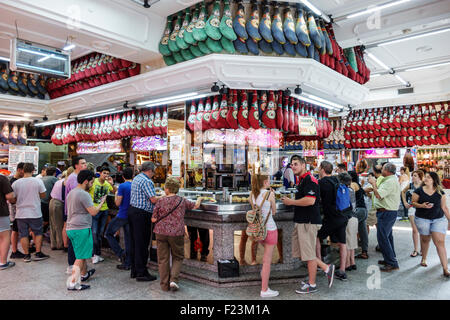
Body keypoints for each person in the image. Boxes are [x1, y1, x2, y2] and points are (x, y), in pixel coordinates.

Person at [281, 156, 335, 294]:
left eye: (296, 164)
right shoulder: (303, 180)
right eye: (292, 165)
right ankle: (325, 268)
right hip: (302, 221)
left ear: (303, 165)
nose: (293, 167)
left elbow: (310, 200)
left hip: (308, 222)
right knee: (304, 254)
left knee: (309, 254)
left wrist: (291, 202)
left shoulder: (310, 180)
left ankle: (314, 282)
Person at [151, 176, 203, 291]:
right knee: (178, 257)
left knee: (163, 259)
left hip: (160, 232)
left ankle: (164, 285)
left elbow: (153, 219)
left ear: (167, 189)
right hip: (176, 233)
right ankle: (173, 280)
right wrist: (200, 199)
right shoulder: (182, 200)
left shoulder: (160, 201)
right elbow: (195, 206)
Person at [66, 170, 107, 291]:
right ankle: (72, 282)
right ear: (85, 181)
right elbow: (93, 212)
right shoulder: (84, 194)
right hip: (81, 228)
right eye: (91, 182)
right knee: (80, 257)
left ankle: (83, 275)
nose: (92, 185)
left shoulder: (72, 192)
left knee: (81, 254)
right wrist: (101, 203)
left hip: (72, 227)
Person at [411, 172, 450, 277]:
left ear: (433, 180)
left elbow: (444, 208)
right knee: (425, 239)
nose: (426, 179)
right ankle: (424, 258)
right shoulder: (418, 191)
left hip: (438, 219)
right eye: (426, 177)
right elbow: (413, 203)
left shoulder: (440, 192)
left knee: (440, 242)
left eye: (428, 177)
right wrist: (422, 206)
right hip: (422, 219)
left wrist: (449, 219)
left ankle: (445, 268)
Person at [316, 161, 349, 281]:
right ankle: (342, 271)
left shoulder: (321, 183)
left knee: (316, 236)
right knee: (342, 243)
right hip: (342, 216)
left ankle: (319, 263)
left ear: (322, 169)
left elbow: (317, 199)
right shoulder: (337, 180)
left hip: (331, 217)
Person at [129, 161, 160, 282]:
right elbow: (153, 199)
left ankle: (135, 270)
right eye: (154, 171)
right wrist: (166, 196)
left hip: (133, 212)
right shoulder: (147, 181)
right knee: (142, 243)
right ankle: (142, 272)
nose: (154, 174)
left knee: (135, 242)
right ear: (150, 170)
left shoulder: (136, 178)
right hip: (141, 215)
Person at [11, 163, 49, 262]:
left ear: (22, 170)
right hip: (35, 212)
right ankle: (38, 253)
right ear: (33, 170)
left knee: (23, 234)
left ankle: (26, 255)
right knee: (38, 233)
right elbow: (43, 195)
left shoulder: (16, 183)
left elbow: (13, 198)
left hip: (21, 213)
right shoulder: (38, 181)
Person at [249, 174, 279, 298]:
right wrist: (273, 197)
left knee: (265, 259)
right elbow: (274, 212)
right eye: (268, 180)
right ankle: (264, 289)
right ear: (265, 182)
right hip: (270, 229)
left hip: (258, 231)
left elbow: (256, 211)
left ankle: (263, 275)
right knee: (267, 261)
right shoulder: (269, 194)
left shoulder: (252, 195)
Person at [368, 162, 401, 272]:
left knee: (382, 238)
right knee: (388, 237)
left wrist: (373, 183)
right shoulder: (389, 180)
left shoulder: (390, 182)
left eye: (382, 169)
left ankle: (392, 262)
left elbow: (378, 195)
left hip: (387, 212)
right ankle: (390, 258)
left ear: (387, 170)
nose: (381, 170)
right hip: (387, 211)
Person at [105, 167, 133, 270]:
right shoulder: (134, 185)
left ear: (123, 176)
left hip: (122, 214)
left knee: (108, 233)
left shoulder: (122, 186)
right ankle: (128, 262)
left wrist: (116, 195)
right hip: (131, 215)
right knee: (128, 239)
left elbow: (117, 203)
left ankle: (121, 253)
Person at [89, 166, 116, 264]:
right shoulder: (93, 182)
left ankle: (98, 254)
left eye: (108, 174)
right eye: (104, 173)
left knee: (100, 233)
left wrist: (112, 184)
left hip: (104, 210)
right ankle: (93, 254)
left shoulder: (107, 183)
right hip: (94, 210)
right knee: (94, 233)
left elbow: (114, 191)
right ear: (99, 173)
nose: (106, 175)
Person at [65, 157, 87, 273]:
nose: (85, 165)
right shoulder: (75, 179)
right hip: (75, 216)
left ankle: (79, 269)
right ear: (76, 165)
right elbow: (78, 198)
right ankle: (73, 269)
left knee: (75, 243)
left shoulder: (75, 177)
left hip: (73, 214)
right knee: (76, 245)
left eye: (85, 163)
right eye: (82, 163)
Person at [401, 170, 424, 258]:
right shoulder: (410, 185)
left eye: (415, 176)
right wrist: (405, 202)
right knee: (415, 230)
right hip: (412, 208)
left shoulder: (424, 185)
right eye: (412, 175)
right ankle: (415, 249)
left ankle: (423, 249)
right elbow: (402, 192)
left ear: (419, 177)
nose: (412, 177)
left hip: (422, 209)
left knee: (422, 230)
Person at [348, 170, 369, 260]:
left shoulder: (353, 184)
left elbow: (350, 196)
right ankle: (364, 252)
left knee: (350, 230)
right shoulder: (358, 184)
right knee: (362, 231)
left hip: (358, 210)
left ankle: (349, 253)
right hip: (363, 210)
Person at [340, 172, 358, 272]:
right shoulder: (351, 190)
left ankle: (347, 263)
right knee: (352, 240)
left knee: (346, 241)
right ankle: (352, 261)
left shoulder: (343, 190)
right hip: (354, 217)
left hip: (347, 218)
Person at [9, 162, 26, 259]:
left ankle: (15, 250)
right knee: (15, 230)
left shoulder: (18, 180)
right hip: (16, 209)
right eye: (24, 170)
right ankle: (14, 251)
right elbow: (11, 197)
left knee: (16, 230)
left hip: (19, 208)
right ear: (19, 170)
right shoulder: (13, 181)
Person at [0, 173, 16, 270]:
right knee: (5, 236)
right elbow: (10, 196)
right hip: (1, 212)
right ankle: (3, 262)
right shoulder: (2, 179)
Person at [49, 170, 66, 250]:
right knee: (60, 224)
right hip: (58, 203)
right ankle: (60, 244)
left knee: (53, 224)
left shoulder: (58, 181)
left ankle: (53, 243)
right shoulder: (65, 182)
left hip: (52, 202)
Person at [41, 166, 58, 235]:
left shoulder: (42, 178)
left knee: (43, 219)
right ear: (54, 173)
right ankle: (37, 232)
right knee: (47, 220)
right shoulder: (54, 179)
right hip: (47, 202)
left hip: (40, 201)